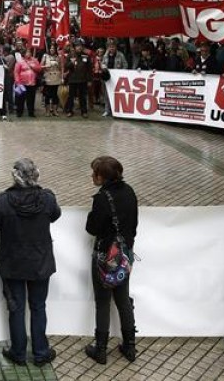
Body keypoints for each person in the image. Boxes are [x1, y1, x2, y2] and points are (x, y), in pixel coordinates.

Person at [0, 158, 62, 367]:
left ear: (14, 177)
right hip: (40, 263)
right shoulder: (47, 199)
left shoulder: (3, 201)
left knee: (16, 309)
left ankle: (18, 353)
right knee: (38, 306)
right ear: (37, 175)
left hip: (12, 264)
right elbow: (55, 215)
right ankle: (41, 353)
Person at [84, 156, 139, 364]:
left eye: (94, 173)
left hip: (103, 256)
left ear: (102, 176)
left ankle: (100, 349)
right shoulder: (130, 192)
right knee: (123, 300)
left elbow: (91, 228)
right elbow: (134, 225)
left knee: (103, 302)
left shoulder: (102, 198)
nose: (92, 176)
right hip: (125, 254)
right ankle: (130, 347)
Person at [40, 43, 63, 116]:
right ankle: (47, 111)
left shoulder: (58, 57)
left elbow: (61, 67)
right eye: (51, 48)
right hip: (48, 78)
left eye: (53, 48)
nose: (52, 49)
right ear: (49, 49)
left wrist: (62, 77)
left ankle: (55, 110)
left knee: (55, 95)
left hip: (56, 78)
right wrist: (45, 66)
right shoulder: (45, 56)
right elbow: (40, 66)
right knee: (47, 95)